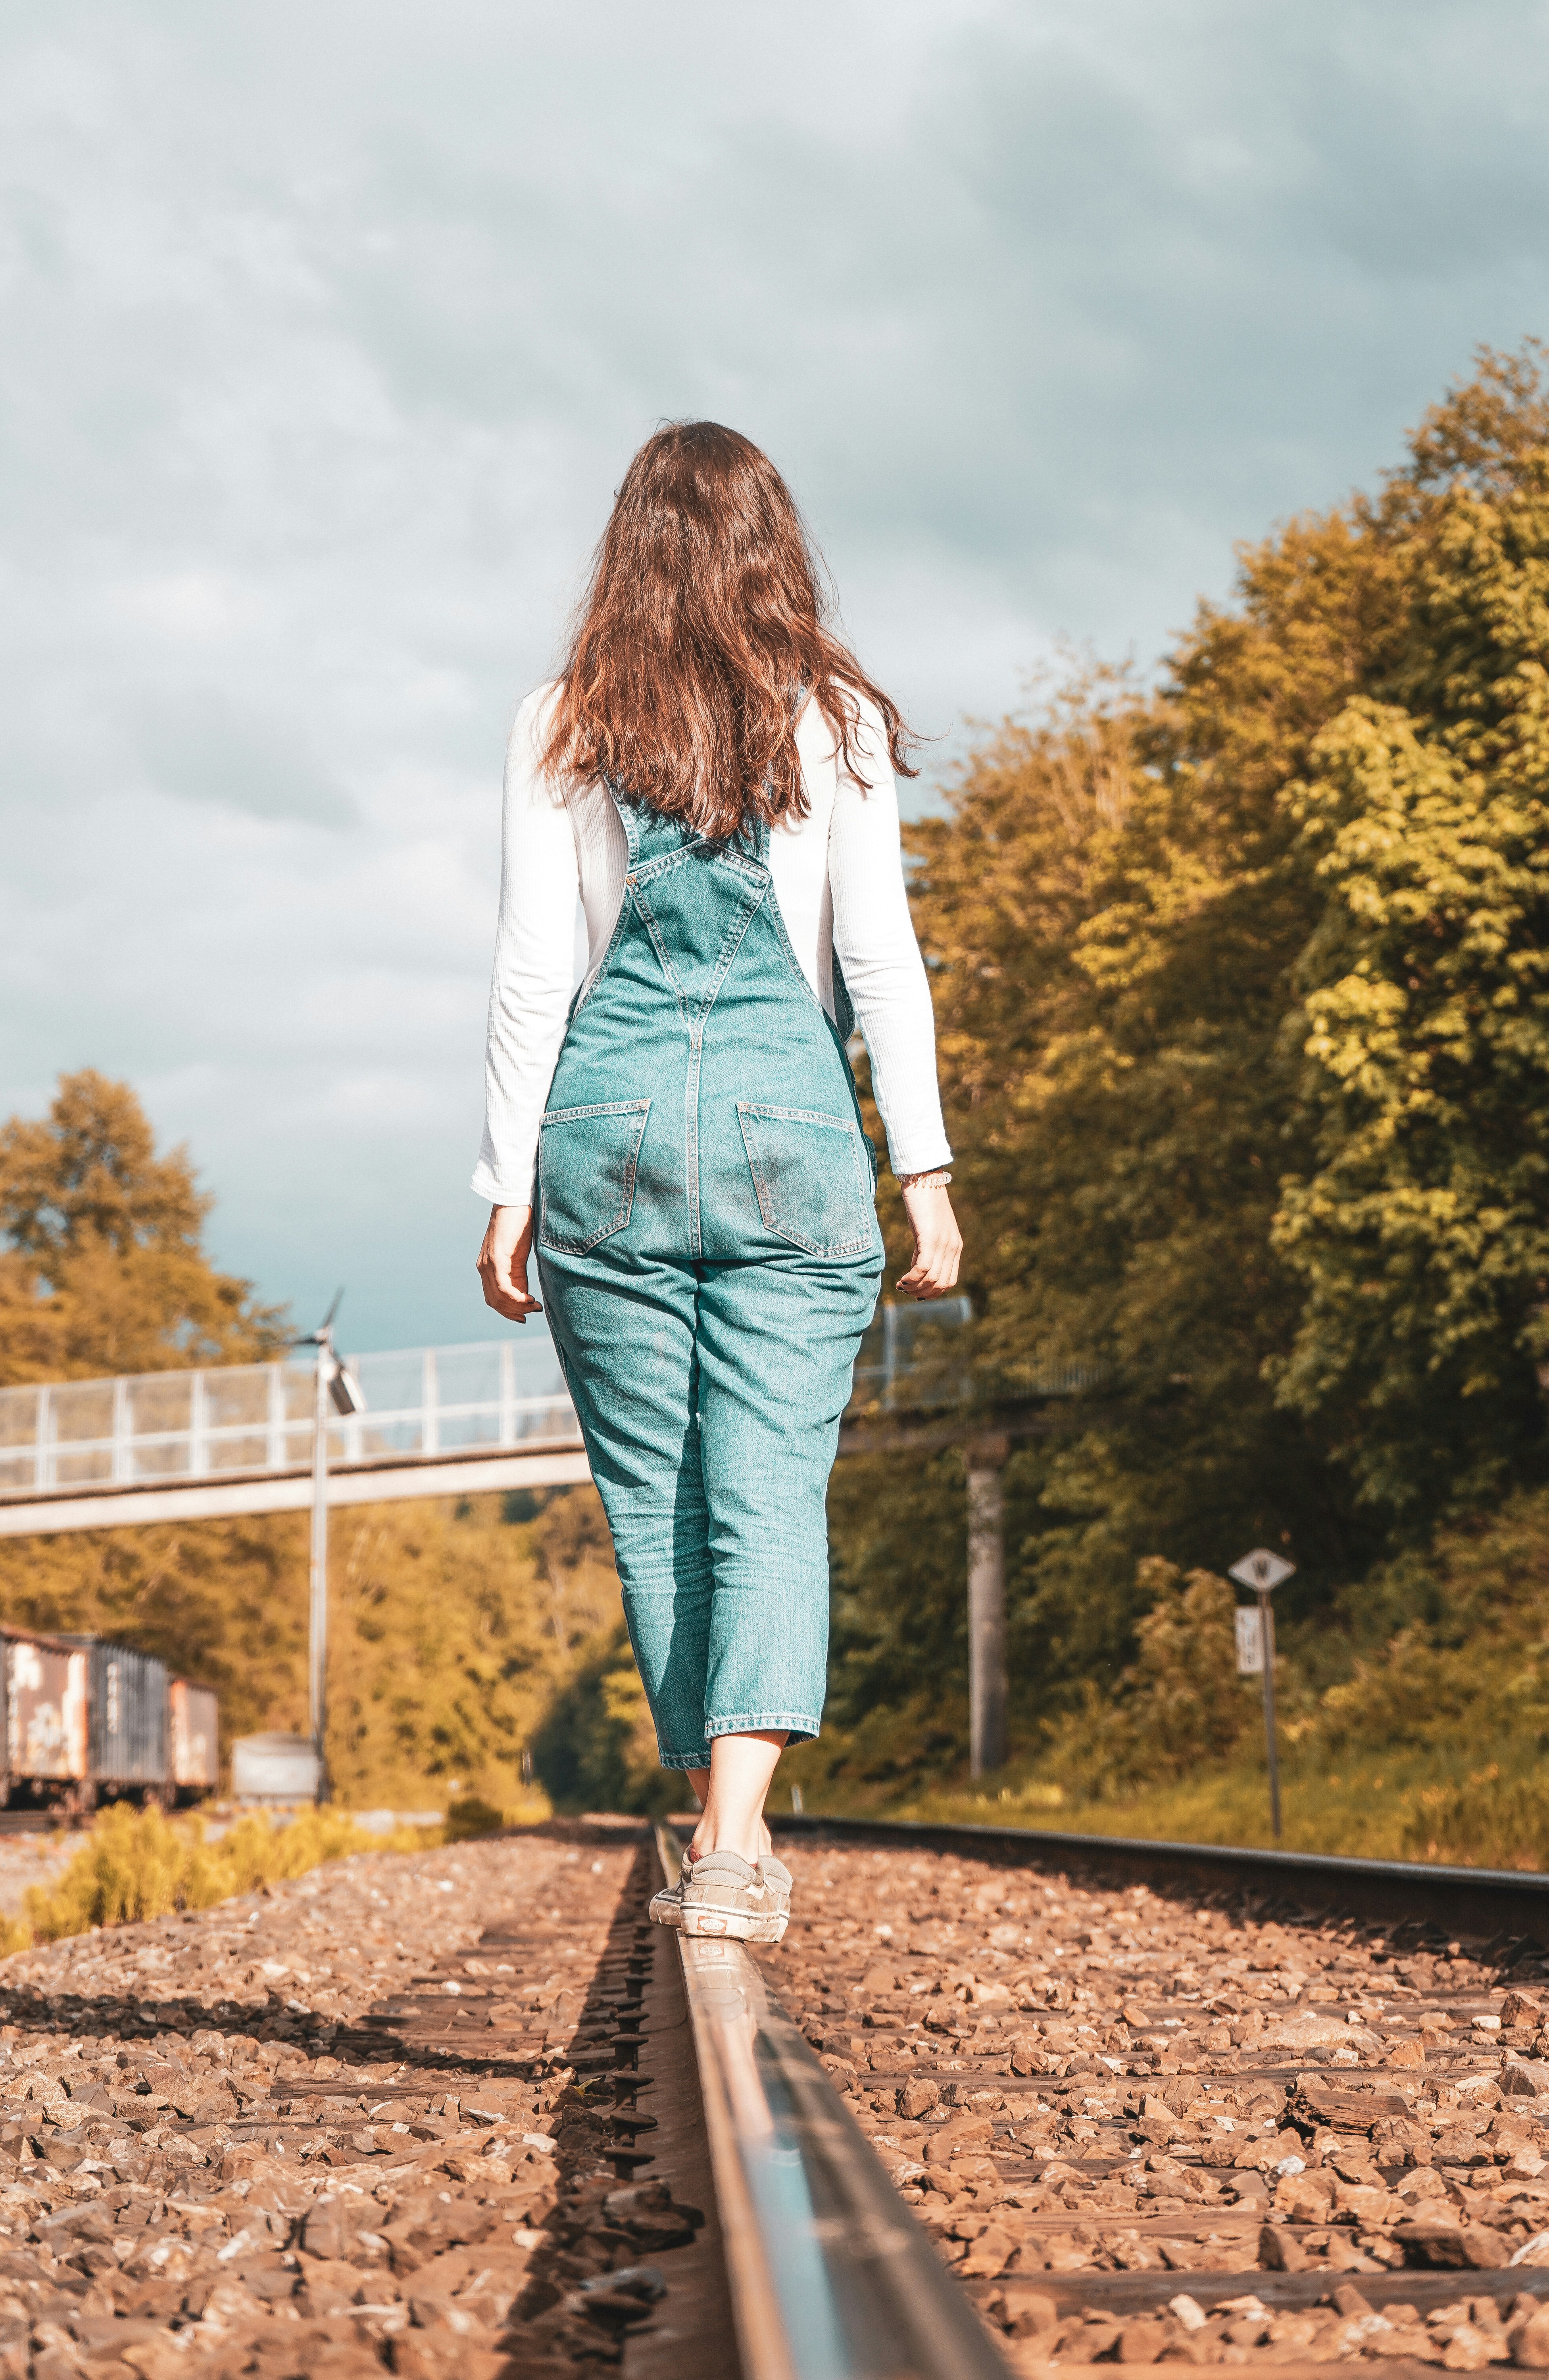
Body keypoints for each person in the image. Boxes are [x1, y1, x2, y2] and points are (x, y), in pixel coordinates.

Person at [473, 422, 960, 1942]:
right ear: (774, 547)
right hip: (792, 1137)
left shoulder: (564, 720)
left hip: (601, 1132)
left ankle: (717, 1816)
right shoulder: (837, 720)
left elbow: (536, 967)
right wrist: (928, 1170)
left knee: (654, 1503)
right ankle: (736, 1843)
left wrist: (505, 1181)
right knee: (766, 1493)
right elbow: (877, 956)